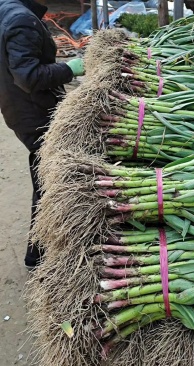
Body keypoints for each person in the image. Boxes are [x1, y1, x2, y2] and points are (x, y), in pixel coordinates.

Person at [0, 0, 85, 270]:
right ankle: (39, 253)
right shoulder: (21, 20)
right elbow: (29, 77)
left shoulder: (8, 9)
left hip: (16, 105)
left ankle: (40, 249)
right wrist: (70, 69)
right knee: (48, 176)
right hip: (32, 111)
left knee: (45, 170)